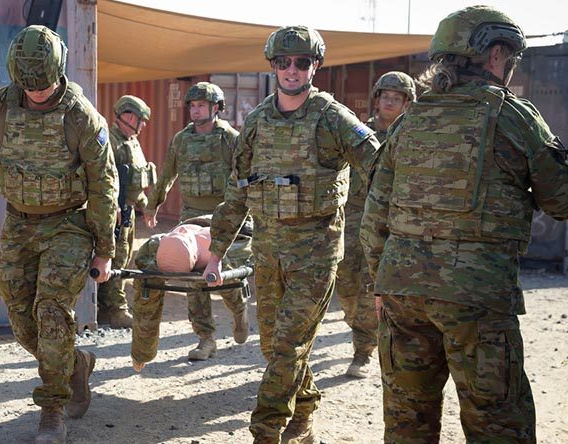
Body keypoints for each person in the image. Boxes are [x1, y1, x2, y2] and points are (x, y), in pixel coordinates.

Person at [360, 6, 568, 442]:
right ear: (495, 54)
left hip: (401, 292)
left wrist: (382, 282)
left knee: (407, 424)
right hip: (475, 300)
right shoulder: (513, 115)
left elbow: (374, 214)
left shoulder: (409, 119)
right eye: (510, 56)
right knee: (498, 424)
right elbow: (563, 200)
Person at [0, 25, 119, 444]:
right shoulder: (1, 105)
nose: (38, 93)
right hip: (20, 223)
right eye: (29, 86)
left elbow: (104, 184)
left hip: (69, 224)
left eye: (44, 85)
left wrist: (105, 249)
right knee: (21, 318)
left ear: (58, 72)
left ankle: (52, 410)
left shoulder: (80, 115)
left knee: (51, 311)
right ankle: (75, 363)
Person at [203, 26, 381, 443]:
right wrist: (216, 253)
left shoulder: (333, 118)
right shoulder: (258, 120)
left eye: (302, 62)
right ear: (273, 67)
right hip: (268, 250)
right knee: (277, 346)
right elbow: (237, 189)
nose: (292, 70)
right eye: (284, 62)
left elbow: (379, 166)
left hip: (316, 251)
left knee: (286, 345)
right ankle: (304, 416)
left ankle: (266, 430)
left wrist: (384, 229)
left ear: (314, 66)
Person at [144, 82, 249, 361]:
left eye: (201, 105)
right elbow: (167, 175)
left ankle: (238, 311)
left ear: (216, 108)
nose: (196, 110)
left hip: (222, 217)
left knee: (221, 275)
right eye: (192, 105)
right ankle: (206, 338)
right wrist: (152, 205)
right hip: (190, 216)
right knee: (192, 279)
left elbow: (243, 179)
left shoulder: (230, 138)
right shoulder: (182, 139)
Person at [336, 71, 415, 378]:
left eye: (397, 98)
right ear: (377, 99)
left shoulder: (410, 136)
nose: (390, 103)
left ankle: (364, 351)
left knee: (376, 287)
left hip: (392, 223)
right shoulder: (358, 133)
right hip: (354, 219)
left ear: (407, 103)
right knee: (345, 285)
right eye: (386, 97)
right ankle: (361, 330)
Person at [131, 216, 253, 373]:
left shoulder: (220, 248)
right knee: (192, 285)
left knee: (227, 282)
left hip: (228, 232)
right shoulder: (154, 248)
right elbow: (145, 300)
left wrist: (214, 264)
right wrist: (141, 353)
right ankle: (206, 339)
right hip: (192, 230)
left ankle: (239, 311)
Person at [97, 95, 154, 329]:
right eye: (140, 120)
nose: (143, 126)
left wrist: (146, 206)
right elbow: (104, 178)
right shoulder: (110, 141)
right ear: (128, 117)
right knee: (116, 259)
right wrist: (113, 206)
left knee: (124, 257)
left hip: (129, 211)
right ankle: (114, 310)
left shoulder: (132, 142)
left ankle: (110, 307)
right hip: (116, 212)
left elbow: (134, 180)